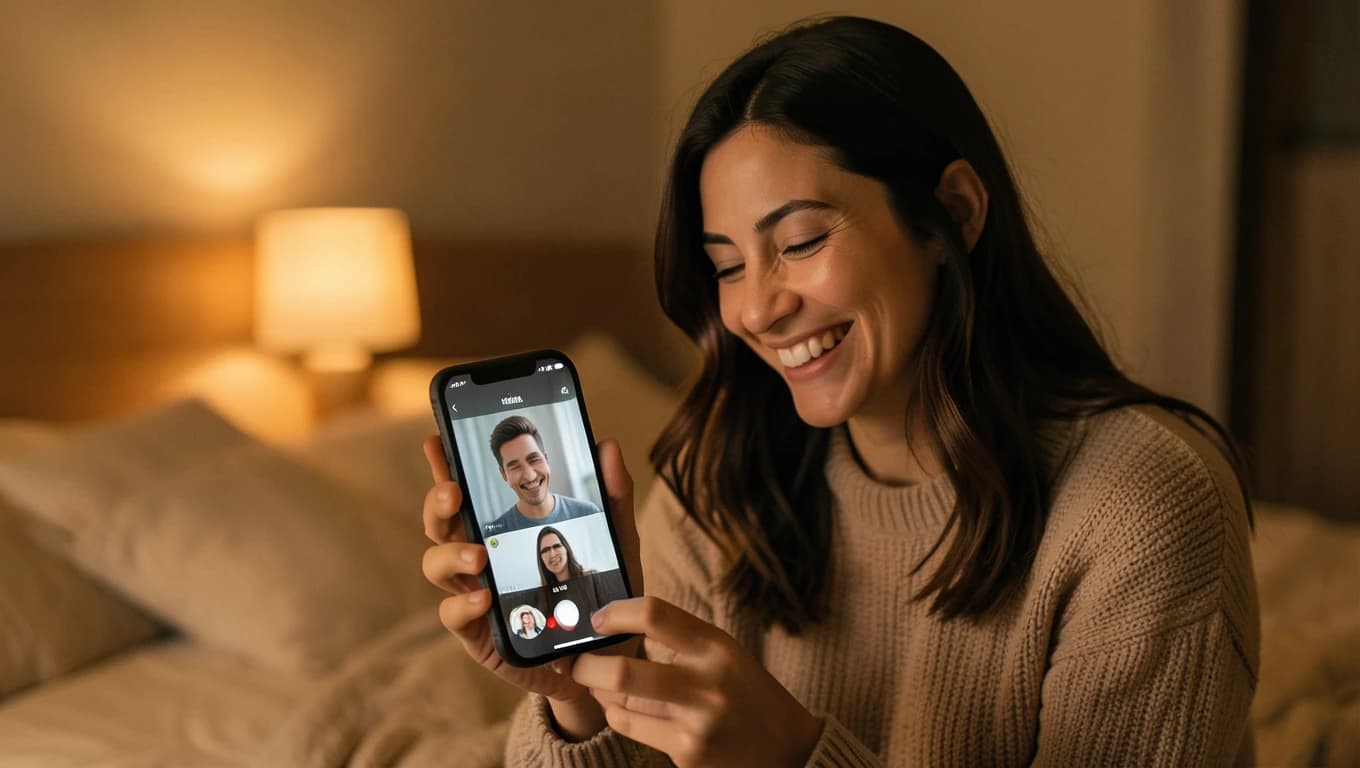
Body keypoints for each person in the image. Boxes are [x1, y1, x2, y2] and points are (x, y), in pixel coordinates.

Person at [421, 16, 1258, 766]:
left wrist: (794, 757)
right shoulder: (717, 488)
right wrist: (581, 698)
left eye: (800, 242)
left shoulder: (1141, 506)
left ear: (953, 215)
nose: (757, 310)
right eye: (726, 267)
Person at [484, 415, 602, 534]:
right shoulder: (495, 533)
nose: (530, 476)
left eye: (533, 460)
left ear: (546, 459)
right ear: (504, 474)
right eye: (515, 467)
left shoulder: (589, 513)